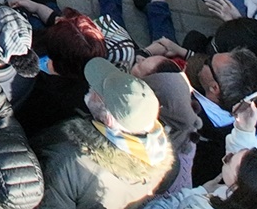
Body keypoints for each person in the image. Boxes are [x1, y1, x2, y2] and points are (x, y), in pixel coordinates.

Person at [33, 58, 172, 209]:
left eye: (97, 89)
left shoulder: (69, 161)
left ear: (108, 120)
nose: (91, 87)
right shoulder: (156, 159)